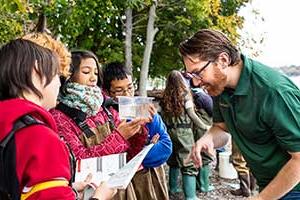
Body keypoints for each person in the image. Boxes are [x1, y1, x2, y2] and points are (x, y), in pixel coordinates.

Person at [179, 29, 300, 200]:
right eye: (191, 75)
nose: (196, 82)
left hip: (294, 186)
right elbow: (221, 128)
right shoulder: (219, 88)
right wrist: (207, 139)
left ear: (223, 60)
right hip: (268, 182)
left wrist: (260, 198)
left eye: (199, 72)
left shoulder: (274, 91)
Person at [0, 39, 116, 200]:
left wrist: (67, 190)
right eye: (56, 75)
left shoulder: (8, 123)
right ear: (36, 72)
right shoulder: (39, 137)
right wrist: (100, 197)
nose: (59, 84)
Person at [102, 62, 172, 200]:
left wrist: (132, 157)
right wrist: (148, 145)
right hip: (121, 189)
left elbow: (165, 148)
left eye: (130, 87)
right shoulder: (105, 118)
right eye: (119, 91)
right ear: (107, 92)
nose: (127, 94)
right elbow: (111, 158)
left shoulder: (146, 111)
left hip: (149, 180)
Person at [160, 70, 211, 200]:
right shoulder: (185, 95)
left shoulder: (164, 97)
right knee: (188, 162)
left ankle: (173, 188)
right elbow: (192, 114)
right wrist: (204, 126)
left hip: (169, 131)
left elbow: (160, 115)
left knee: (173, 162)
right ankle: (190, 196)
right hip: (184, 132)